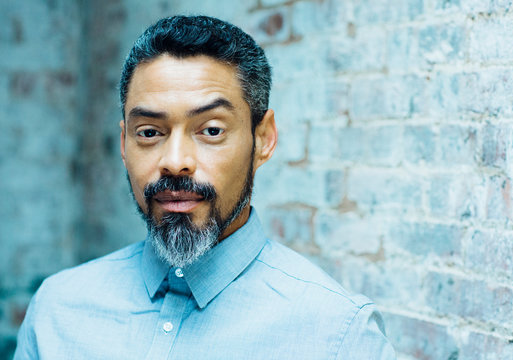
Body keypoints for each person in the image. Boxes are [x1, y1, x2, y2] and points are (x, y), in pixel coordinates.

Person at [14, 15, 395, 359]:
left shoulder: (340, 335)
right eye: (149, 132)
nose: (175, 161)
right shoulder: (56, 309)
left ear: (262, 139)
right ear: (124, 145)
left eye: (211, 130)